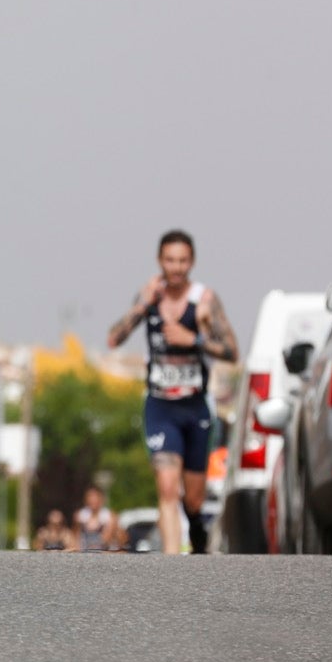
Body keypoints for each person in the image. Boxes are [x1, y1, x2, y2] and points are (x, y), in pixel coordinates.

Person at [107, 229, 239, 555]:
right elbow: (113, 339)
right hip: (160, 407)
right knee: (167, 487)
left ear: (191, 262)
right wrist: (141, 306)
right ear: (159, 261)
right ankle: (171, 566)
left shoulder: (205, 301)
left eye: (182, 261)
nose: (176, 268)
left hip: (195, 408)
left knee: (193, 499)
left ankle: (197, 532)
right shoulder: (149, 298)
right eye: (170, 260)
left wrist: (191, 338)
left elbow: (232, 351)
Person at [73, 486, 115, 552]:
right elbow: (76, 538)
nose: (92, 500)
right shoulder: (79, 516)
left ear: (101, 499)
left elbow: (106, 540)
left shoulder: (109, 516)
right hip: (83, 552)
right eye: (90, 497)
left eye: (95, 497)